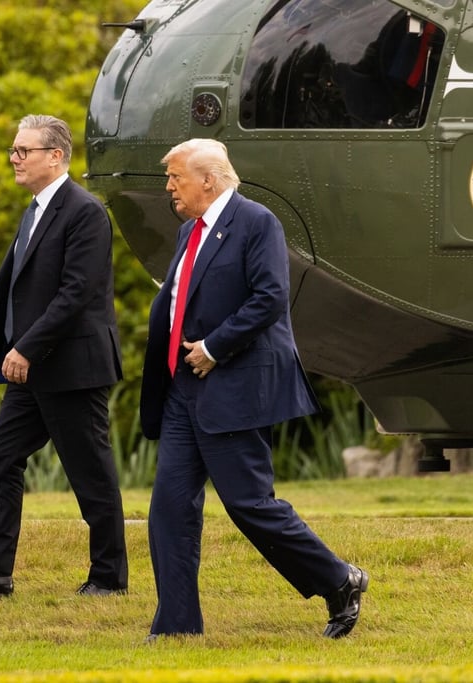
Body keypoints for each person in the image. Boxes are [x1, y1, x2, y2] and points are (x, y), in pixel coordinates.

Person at [138, 138, 368, 639]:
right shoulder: (188, 231)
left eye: (176, 176)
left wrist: (214, 347)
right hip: (182, 390)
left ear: (209, 179)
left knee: (250, 505)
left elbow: (270, 297)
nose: (169, 186)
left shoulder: (256, 221)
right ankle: (176, 626)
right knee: (170, 507)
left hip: (230, 384)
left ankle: (339, 580)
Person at [0, 114, 128, 599]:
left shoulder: (84, 211)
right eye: (14, 151)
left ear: (55, 156)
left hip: (71, 367)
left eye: (24, 151)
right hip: (32, 370)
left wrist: (25, 347)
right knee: (0, 455)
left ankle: (109, 578)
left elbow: (76, 293)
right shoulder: (35, 210)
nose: (14, 159)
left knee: (90, 473)